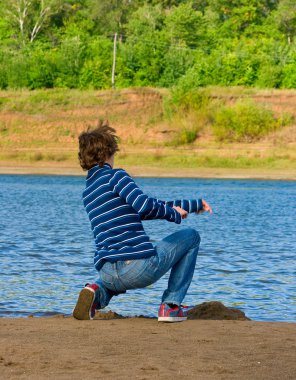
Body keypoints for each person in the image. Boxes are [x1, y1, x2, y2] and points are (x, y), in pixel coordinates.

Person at [73, 121, 212, 322]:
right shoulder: (116, 176)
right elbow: (145, 206)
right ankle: (171, 306)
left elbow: (140, 209)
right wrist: (173, 214)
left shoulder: (89, 192)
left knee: (113, 277)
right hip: (136, 268)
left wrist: (190, 205)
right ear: (107, 154)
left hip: (107, 272)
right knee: (191, 236)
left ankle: (95, 292)